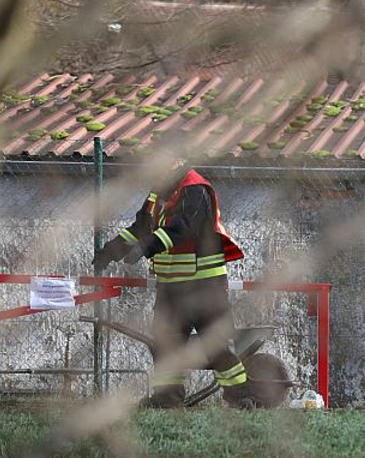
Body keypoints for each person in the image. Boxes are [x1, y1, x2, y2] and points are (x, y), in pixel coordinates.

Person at [93, 145, 258, 409]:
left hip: (204, 284)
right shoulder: (157, 193)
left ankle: (242, 397)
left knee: (215, 346)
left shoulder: (196, 188)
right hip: (171, 285)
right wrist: (111, 250)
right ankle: (166, 400)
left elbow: (183, 228)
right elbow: (140, 227)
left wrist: (147, 247)